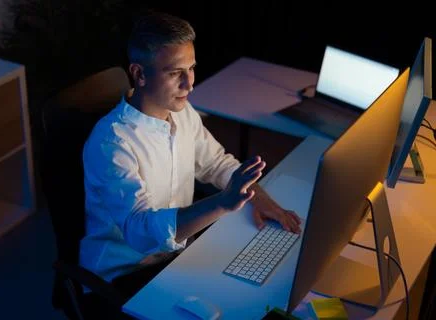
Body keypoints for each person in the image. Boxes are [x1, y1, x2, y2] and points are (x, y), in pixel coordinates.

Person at [80, 11, 301, 306]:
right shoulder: (111, 143)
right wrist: (222, 202)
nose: (189, 84)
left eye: (192, 68)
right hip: (126, 277)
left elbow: (215, 163)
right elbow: (140, 230)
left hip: (179, 258)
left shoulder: (182, 111)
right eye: (175, 73)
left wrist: (260, 198)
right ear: (140, 74)